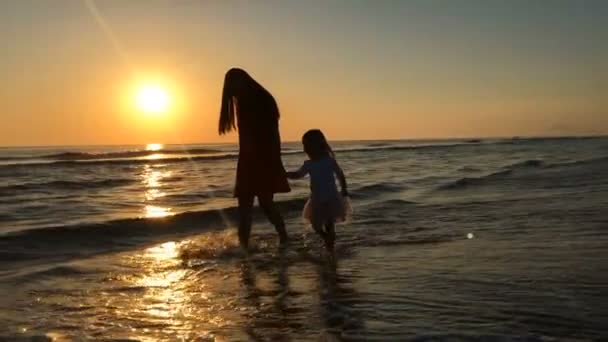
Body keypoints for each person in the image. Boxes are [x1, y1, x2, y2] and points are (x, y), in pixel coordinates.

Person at [219, 68, 290, 249]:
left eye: (232, 87)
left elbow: (270, 135)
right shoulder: (246, 100)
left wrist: (271, 162)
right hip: (253, 159)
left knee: (261, 204)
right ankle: (248, 246)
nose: (231, 93)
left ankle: (282, 237)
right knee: (250, 206)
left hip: (261, 159)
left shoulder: (258, 100)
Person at [287, 129, 350, 251]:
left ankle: (330, 248)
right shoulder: (309, 164)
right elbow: (298, 175)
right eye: (303, 145)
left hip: (331, 198)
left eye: (306, 145)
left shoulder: (329, 161)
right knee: (315, 225)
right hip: (317, 200)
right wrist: (287, 174)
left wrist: (344, 188)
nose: (304, 148)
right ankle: (325, 237)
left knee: (329, 224)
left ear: (316, 145)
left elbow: (340, 174)